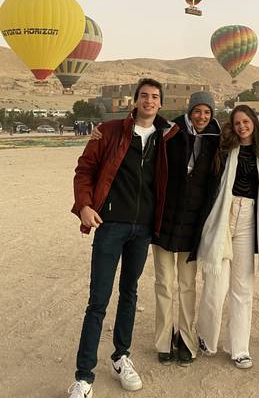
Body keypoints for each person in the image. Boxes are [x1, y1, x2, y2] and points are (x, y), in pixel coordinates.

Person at [68, 78, 178, 398]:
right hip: (111, 224)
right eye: (144, 96)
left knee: (129, 293)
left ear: (160, 103)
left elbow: (203, 131)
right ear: (135, 100)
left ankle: (121, 357)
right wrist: (84, 205)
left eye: (155, 97)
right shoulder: (110, 130)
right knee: (98, 300)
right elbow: (85, 169)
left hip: (143, 229)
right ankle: (84, 376)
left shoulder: (168, 136)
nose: (149, 101)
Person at [195, 105, 259, 369]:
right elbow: (200, 134)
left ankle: (239, 348)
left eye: (246, 121)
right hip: (224, 214)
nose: (242, 126)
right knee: (216, 285)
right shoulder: (223, 149)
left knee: (242, 287)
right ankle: (205, 337)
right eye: (237, 123)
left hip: (249, 217)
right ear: (231, 127)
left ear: (254, 123)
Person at [152, 92, 221, 366]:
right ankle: (163, 340)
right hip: (164, 224)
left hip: (194, 227)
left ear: (212, 114)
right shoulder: (170, 134)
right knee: (164, 284)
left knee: (187, 286)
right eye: (197, 111)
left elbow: (250, 134)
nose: (201, 117)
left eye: (207, 112)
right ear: (189, 111)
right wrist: (100, 131)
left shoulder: (218, 142)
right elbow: (140, 125)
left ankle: (186, 339)